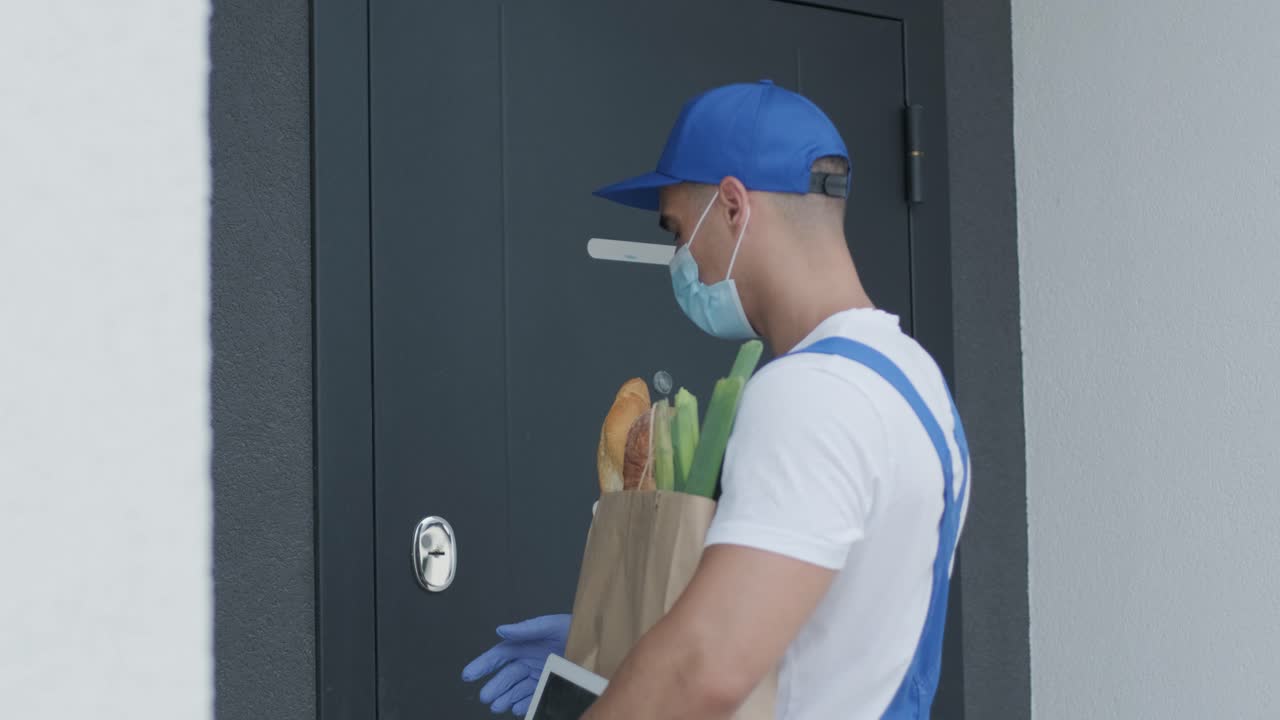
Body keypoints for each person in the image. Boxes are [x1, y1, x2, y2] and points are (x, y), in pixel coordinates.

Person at [462, 79, 970, 719]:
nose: (678, 257)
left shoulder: (809, 393)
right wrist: (615, 634)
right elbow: (820, 623)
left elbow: (704, 668)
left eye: (676, 230)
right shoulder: (916, 381)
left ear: (733, 206)